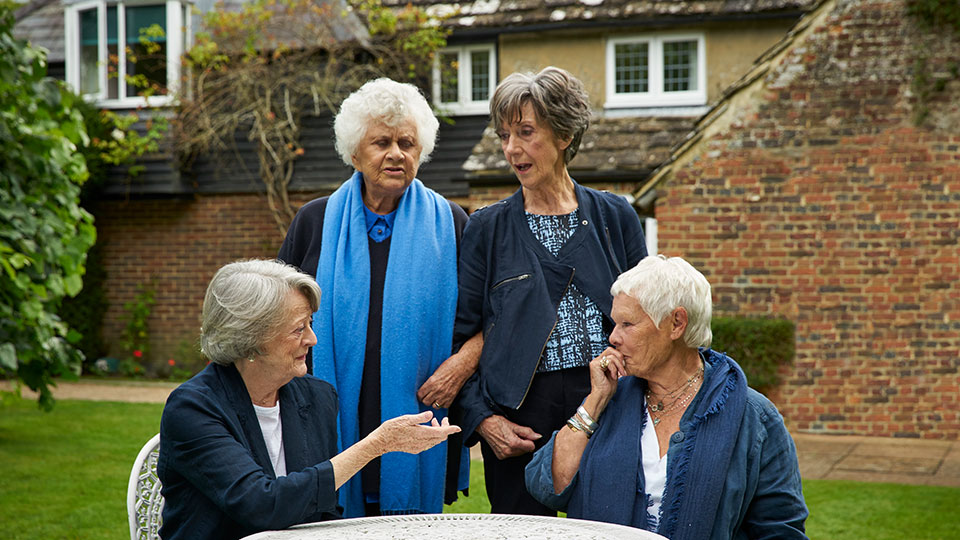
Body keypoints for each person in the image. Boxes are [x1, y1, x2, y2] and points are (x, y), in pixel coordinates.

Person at [453, 66, 648, 515]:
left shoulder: (615, 216)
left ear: (563, 135)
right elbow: (461, 338)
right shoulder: (487, 227)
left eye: (525, 132)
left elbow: (648, 322)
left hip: (606, 404)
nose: (511, 149)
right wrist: (485, 421)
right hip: (520, 419)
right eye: (504, 135)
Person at [278, 78, 477, 517]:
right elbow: (275, 318)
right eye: (381, 142)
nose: (396, 153)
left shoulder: (452, 223)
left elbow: (486, 319)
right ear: (354, 153)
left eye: (407, 143)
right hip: (327, 413)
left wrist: (460, 365)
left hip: (420, 407)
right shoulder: (314, 221)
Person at [157, 260, 459, 540]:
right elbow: (261, 505)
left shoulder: (316, 396)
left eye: (310, 324)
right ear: (249, 339)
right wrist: (376, 445)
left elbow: (324, 512)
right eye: (299, 328)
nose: (312, 339)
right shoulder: (193, 408)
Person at [524, 255, 809, 539]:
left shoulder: (753, 417)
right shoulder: (609, 399)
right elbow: (550, 487)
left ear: (676, 323)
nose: (612, 337)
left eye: (627, 324)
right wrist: (595, 400)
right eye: (615, 323)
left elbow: (780, 529)